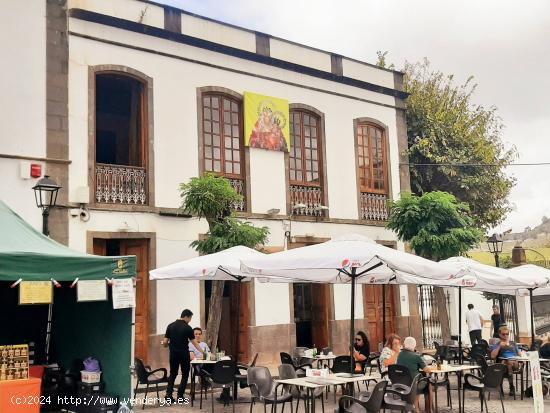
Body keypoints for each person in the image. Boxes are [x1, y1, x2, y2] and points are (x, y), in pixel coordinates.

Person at [162, 309, 205, 403]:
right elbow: (195, 344)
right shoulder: (188, 328)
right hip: (184, 354)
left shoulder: (170, 326)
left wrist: (166, 344)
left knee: (173, 374)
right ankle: (180, 396)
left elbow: (165, 342)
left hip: (173, 354)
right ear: (186, 316)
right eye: (190, 318)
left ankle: (168, 395)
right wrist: (204, 352)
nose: (190, 320)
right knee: (185, 374)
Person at [396, 337, 433, 412]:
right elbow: (427, 370)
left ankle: (416, 407)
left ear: (404, 344)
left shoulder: (400, 355)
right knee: (429, 384)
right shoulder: (416, 356)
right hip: (414, 383)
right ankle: (428, 410)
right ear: (415, 345)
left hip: (402, 382)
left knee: (416, 381)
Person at [490, 325, 525, 396]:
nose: (505, 336)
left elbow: (519, 355)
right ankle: (511, 386)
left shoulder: (513, 343)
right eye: (503, 334)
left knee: (509, 361)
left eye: (507, 334)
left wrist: (522, 356)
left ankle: (510, 386)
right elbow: (492, 356)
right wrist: (499, 346)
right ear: (499, 334)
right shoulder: (497, 344)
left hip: (514, 363)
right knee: (506, 362)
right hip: (503, 366)